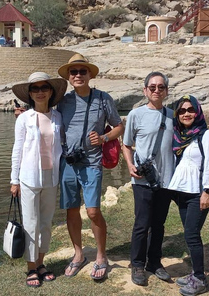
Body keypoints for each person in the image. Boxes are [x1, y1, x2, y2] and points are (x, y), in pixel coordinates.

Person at [57, 53, 124, 280]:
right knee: (72, 209)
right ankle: (78, 255)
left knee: (93, 211)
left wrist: (105, 138)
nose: (78, 75)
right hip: (68, 163)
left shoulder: (103, 98)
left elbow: (118, 126)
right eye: (73, 72)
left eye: (82, 71)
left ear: (89, 74)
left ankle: (101, 256)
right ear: (68, 76)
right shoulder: (63, 101)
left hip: (92, 162)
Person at [10, 72, 68, 288]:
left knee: (46, 222)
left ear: (51, 91)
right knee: (31, 223)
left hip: (51, 178)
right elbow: (17, 149)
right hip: (28, 178)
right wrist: (14, 180)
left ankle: (42, 263)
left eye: (44, 87)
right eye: (36, 88)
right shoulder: (24, 118)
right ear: (30, 93)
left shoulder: (58, 117)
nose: (40, 91)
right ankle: (31, 267)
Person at [122, 72, 175, 286]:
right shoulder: (136, 114)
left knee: (159, 224)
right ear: (145, 90)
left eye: (160, 87)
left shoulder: (173, 115)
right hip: (143, 181)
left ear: (166, 91)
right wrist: (130, 165)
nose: (156, 90)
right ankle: (137, 264)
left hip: (167, 180)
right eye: (152, 87)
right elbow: (126, 144)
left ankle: (154, 262)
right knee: (141, 224)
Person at [168, 95, 209, 296]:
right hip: (182, 192)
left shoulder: (206, 135)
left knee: (191, 235)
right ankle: (194, 273)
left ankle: (199, 278)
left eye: (190, 109)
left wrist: (207, 191)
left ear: (197, 111)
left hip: (198, 193)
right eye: (181, 111)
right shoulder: (180, 135)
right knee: (190, 235)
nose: (186, 114)